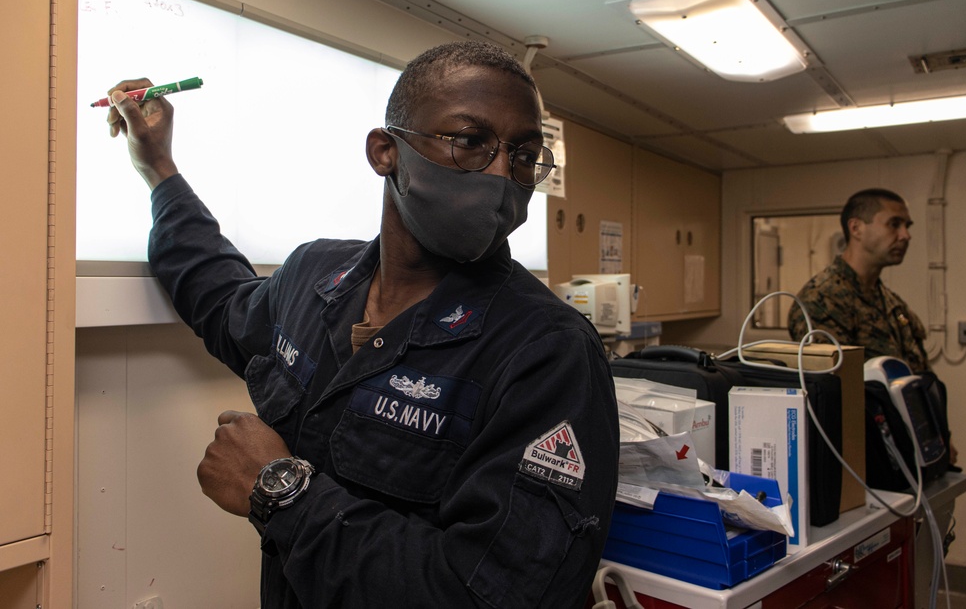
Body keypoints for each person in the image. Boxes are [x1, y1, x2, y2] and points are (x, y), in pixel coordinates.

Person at [105, 41, 619, 608]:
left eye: (523, 156)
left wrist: (280, 491)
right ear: (385, 152)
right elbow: (220, 297)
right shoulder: (315, 276)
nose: (500, 175)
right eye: (470, 142)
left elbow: (498, 594)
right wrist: (159, 169)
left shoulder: (546, 350)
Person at [787, 188, 929, 371]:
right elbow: (835, 386)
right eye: (894, 224)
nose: (905, 235)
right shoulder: (822, 300)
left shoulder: (892, 303)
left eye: (906, 226)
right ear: (856, 229)